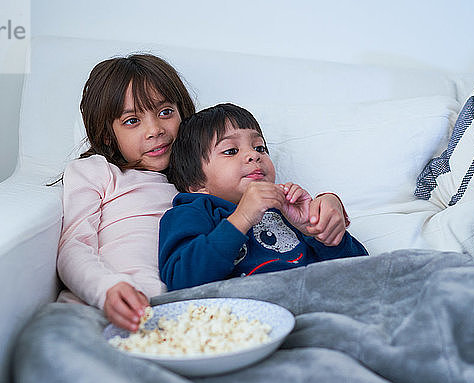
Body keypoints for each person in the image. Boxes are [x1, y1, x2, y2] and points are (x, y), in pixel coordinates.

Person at [57, 55, 353, 332]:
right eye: (132, 120)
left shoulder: (214, 179)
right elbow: (74, 246)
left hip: (188, 314)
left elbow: (283, 214)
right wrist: (105, 288)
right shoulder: (99, 172)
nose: (155, 129)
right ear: (108, 134)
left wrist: (327, 209)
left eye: (165, 112)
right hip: (106, 302)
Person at [159, 103, 368, 291]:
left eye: (259, 147)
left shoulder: (286, 207)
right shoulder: (191, 212)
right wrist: (242, 218)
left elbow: (363, 273)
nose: (254, 155)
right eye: (231, 150)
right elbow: (181, 280)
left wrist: (317, 233)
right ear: (196, 184)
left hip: (319, 301)